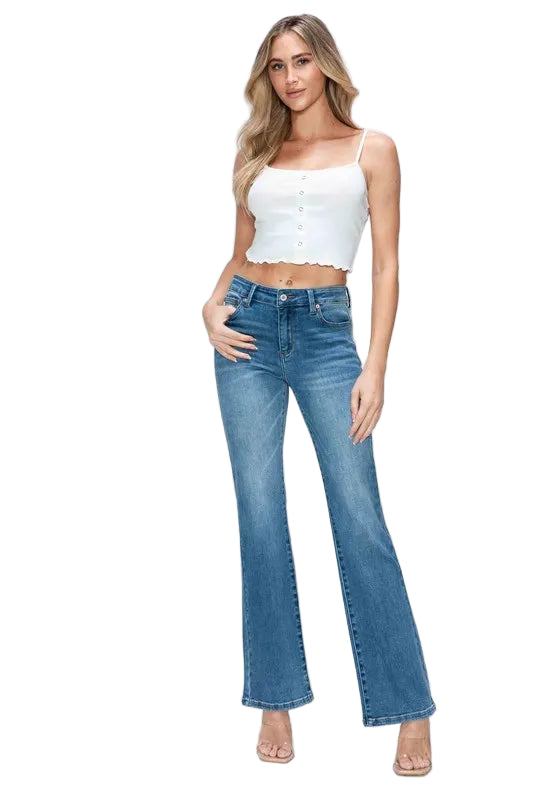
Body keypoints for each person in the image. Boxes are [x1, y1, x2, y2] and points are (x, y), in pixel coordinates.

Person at [202, 14, 436, 776]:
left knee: (359, 518)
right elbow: (240, 250)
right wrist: (209, 305)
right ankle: (274, 696)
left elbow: (387, 265)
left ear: (325, 65)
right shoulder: (255, 150)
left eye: (301, 61)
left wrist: (376, 367)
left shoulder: (374, 150)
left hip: (328, 335)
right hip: (246, 333)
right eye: (276, 66)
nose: (290, 77)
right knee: (260, 516)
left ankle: (407, 707)